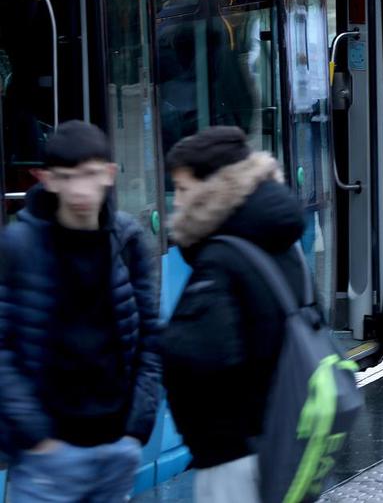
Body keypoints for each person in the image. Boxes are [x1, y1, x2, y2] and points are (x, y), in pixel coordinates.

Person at [0, 121, 161, 502]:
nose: (79, 190)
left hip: (116, 453)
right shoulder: (19, 246)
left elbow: (152, 339)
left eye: (89, 175)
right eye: (66, 178)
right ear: (45, 179)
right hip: (47, 462)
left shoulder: (128, 239)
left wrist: (135, 429)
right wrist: (36, 436)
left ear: (109, 174)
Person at [159, 126, 305, 502]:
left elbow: (199, 357)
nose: (176, 202)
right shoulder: (280, 243)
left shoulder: (222, 258)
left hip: (233, 454)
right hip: (284, 437)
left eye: (184, 189)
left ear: (213, 188)